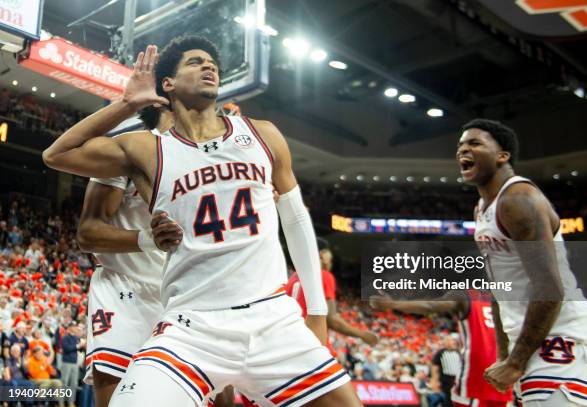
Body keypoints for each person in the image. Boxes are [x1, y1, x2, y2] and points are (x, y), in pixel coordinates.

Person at [43, 37, 360, 406]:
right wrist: (127, 103)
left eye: (212, 63)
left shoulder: (261, 133)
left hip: (271, 318)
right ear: (168, 85)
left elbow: (296, 220)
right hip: (190, 321)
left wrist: (317, 311)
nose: (209, 67)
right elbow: (57, 154)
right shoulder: (148, 148)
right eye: (195, 62)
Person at [456, 118, 587, 406]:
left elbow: (550, 288)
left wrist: (515, 359)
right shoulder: (482, 209)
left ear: (502, 156)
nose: (463, 150)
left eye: (474, 143)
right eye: (460, 145)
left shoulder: (518, 199)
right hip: (526, 339)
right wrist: (503, 353)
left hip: (560, 333)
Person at [77, 106, 175, 407]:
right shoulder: (128, 148)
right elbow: (87, 233)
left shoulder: (200, 160)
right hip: (123, 291)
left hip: (176, 295)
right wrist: (150, 240)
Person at [370, 290, 513, 406]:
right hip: (499, 376)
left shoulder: (468, 295)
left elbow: (431, 306)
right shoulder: (503, 299)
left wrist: (393, 303)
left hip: (479, 377)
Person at [287, 248, 379, 347]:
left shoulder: (293, 277)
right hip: (310, 341)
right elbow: (331, 319)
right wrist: (363, 335)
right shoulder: (324, 275)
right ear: (323, 259)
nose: (331, 264)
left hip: (290, 338)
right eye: (330, 260)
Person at [61, 321, 85, 407]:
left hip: (74, 362)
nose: (75, 328)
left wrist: (82, 346)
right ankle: (61, 402)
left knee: (74, 383)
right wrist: (78, 346)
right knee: (65, 382)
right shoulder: (65, 337)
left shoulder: (76, 338)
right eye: (74, 326)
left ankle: (71, 402)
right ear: (70, 327)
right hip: (66, 362)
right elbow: (66, 348)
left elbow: (79, 350)